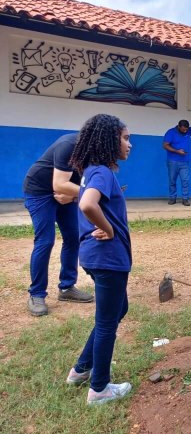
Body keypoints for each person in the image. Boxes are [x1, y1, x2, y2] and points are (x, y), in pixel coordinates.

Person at [64, 114, 133, 405]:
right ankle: (99, 388)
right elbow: (87, 204)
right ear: (109, 140)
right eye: (125, 138)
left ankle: (80, 370)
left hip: (95, 258)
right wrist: (107, 228)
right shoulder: (102, 172)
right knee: (107, 323)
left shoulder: (92, 170)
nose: (130, 144)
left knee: (119, 308)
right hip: (107, 259)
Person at [23, 131, 94, 317]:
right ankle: (36, 294)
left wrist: (72, 197)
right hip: (39, 191)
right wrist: (80, 193)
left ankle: (67, 288)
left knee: (73, 237)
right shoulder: (69, 144)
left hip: (66, 193)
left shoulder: (98, 153)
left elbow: (86, 183)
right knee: (45, 241)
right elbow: (59, 184)